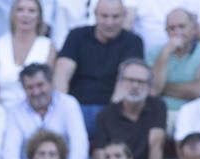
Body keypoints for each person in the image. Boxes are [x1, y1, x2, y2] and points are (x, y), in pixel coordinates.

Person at [54, 0, 145, 133]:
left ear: (124, 16)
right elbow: (62, 73)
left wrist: (110, 115)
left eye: (115, 17)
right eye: (104, 16)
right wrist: (62, 109)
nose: (109, 23)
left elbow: (125, 81)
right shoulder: (77, 35)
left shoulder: (133, 42)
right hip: (75, 106)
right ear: (95, 15)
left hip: (110, 107)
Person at [0, 63, 89, 159]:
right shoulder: (15, 112)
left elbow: (79, 141)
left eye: (40, 85)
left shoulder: (68, 104)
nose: (36, 92)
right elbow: (10, 152)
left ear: (51, 83)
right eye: (30, 87)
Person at [92, 59, 167, 159]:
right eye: (130, 80)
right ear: (120, 83)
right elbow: (100, 154)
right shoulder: (105, 114)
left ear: (149, 86)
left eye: (141, 81)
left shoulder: (158, 107)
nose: (135, 85)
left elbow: (156, 144)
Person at [152, 9, 200, 136]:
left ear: (194, 29)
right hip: (160, 113)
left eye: (182, 27)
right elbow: (153, 90)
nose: (177, 32)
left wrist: (164, 88)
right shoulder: (154, 53)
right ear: (166, 32)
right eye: (172, 28)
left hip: (196, 113)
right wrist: (165, 53)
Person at [0, 0, 55, 108]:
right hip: (2, 111)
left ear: (39, 17)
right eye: (20, 10)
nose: (25, 15)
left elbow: (50, 88)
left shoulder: (48, 46)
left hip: (36, 111)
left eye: (31, 11)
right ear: (13, 14)